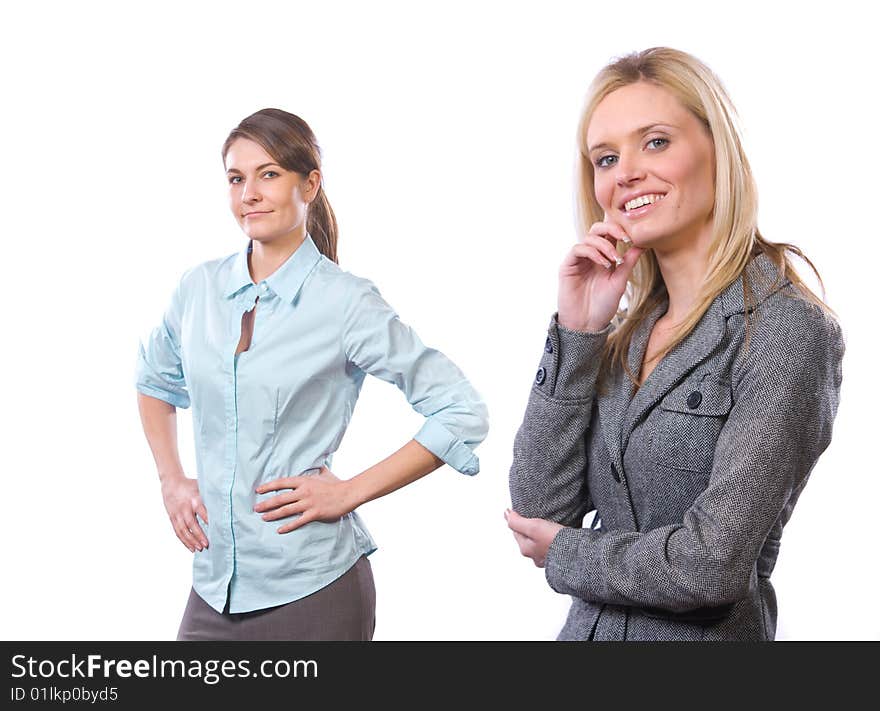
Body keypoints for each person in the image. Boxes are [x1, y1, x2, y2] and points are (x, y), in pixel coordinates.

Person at [506, 47, 844, 641]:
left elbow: (710, 565)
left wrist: (569, 553)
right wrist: (578, 333)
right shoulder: (625, 336)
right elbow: (538, 510)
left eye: (655, 142)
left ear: (720, 151)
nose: (625, 173)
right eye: (605, 158)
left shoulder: (783, 328)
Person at [136, 108, 488, 641]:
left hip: (313, 595)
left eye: (269, 174)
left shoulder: (347, 303)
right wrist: (171, 479)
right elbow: (153, 380)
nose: (249, 193)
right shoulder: (197, 290)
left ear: (311, 184)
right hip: (212, 588)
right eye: (236, 178)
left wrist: (350, 492)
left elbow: (461, 411)